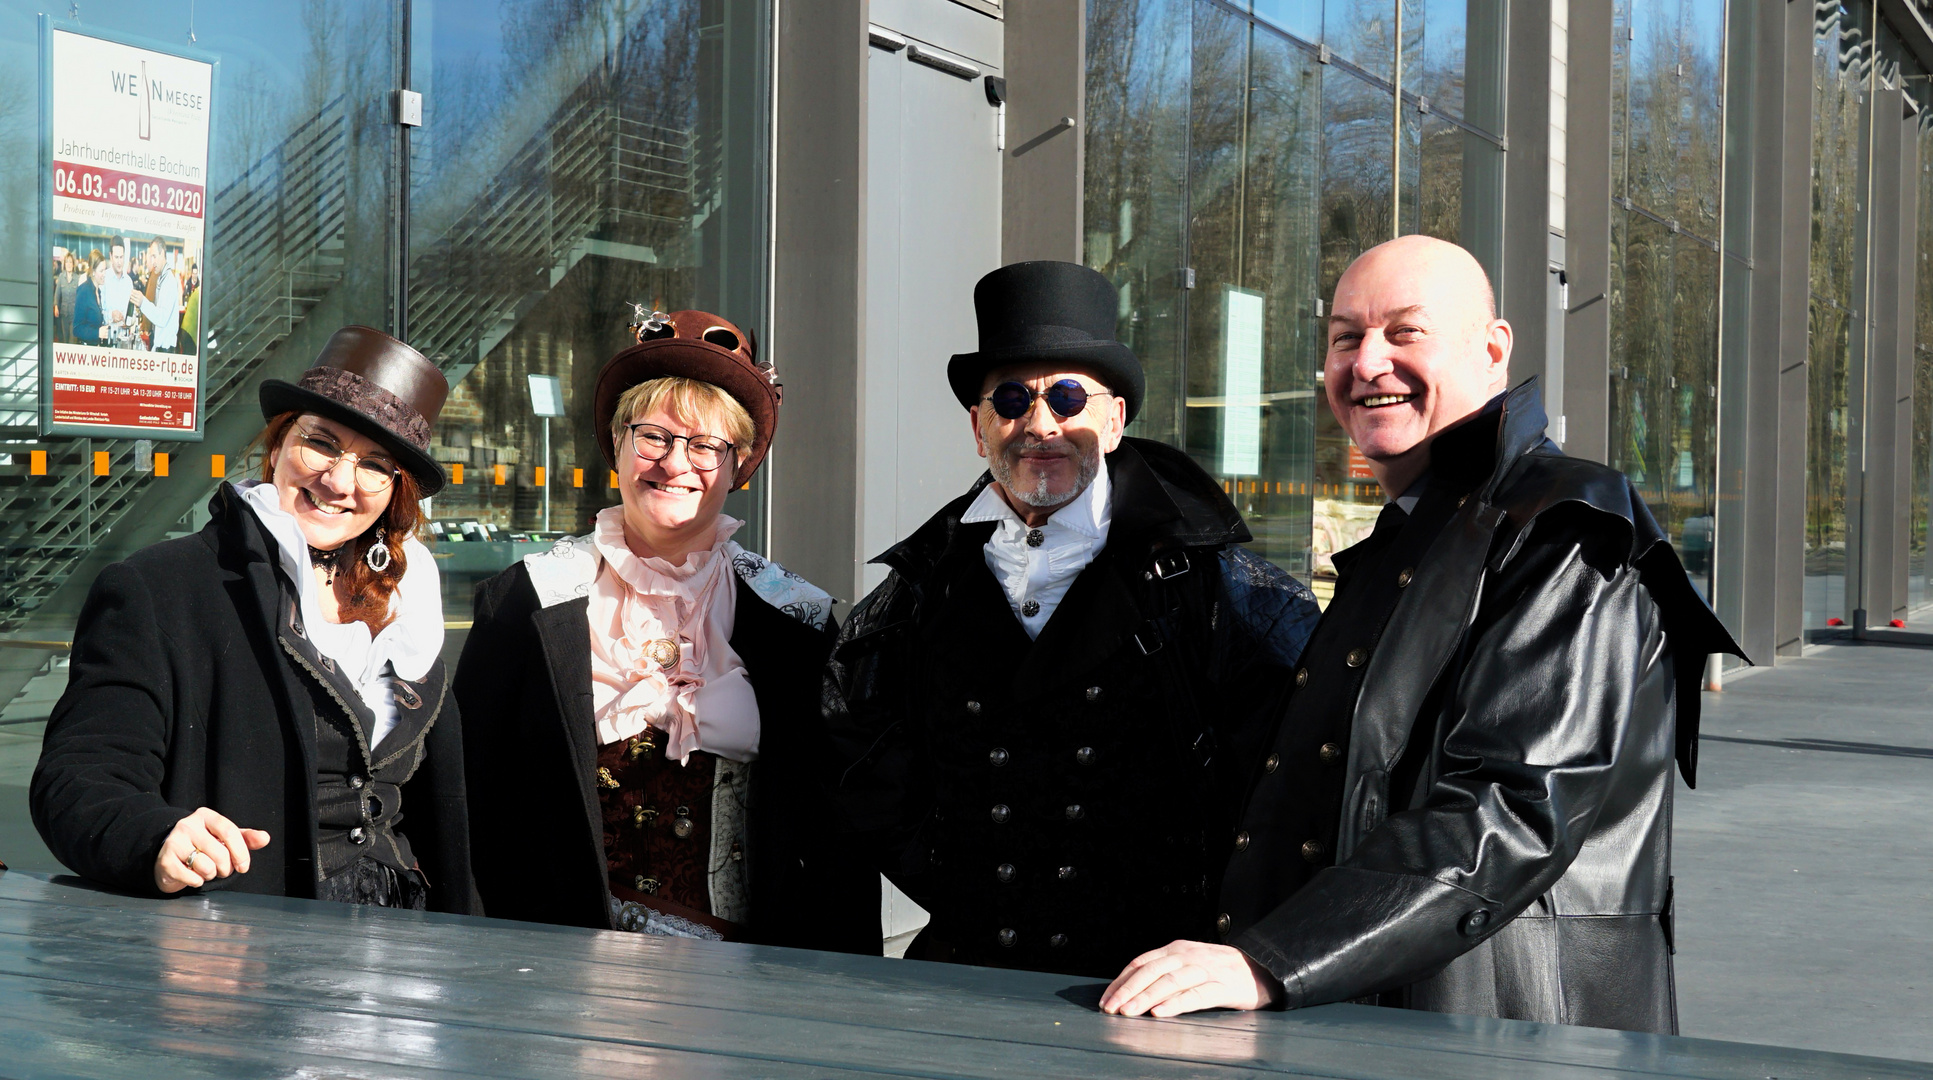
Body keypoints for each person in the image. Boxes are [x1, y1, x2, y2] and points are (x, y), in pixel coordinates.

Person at [1100, 236, 1741, 1032]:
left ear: (1492, 349)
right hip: (1400, 1015)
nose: (1367, 363)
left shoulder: (1563, 531)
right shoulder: (1419, 534)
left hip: (1512, 1031)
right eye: (1344, 336)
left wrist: (1269, 962)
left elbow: (1511, 809)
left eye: (1404, 332)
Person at [825, 261, 1322, 976]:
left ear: (1114, 420)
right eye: (1010, 399)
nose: (1039, 425)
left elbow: (1290, 774)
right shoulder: (919, 589)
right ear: (977, 426)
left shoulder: (1218, 586)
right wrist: (962, 882)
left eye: (1066, 397)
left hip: (1151, 986)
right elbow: (861, 754)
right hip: (971, 968)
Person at [32, 327, 478, 914]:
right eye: (321, 443)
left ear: (394, 490)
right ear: (278, 443)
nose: (340, 482)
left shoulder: (410, 596)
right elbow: (78, 778)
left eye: (374, 465)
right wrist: (157, 836)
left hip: (400, 948)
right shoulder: (162, 586)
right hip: (248, 949)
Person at [456, 309, 852, 945]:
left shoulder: (795, 622)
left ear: (739, 463)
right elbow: (473, 801)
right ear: (616, 444)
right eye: (652, 438)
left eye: (704, 446)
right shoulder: (527, 602)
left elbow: (832, 836)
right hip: (562, 975)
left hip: (743, 993)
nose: (674, 464)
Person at [134, 237, 183, 352]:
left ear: (162, 253)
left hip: (166, 348)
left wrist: (142, 302)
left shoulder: (169, 281)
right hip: (161, 345)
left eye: (154, 256)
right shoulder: (163, 278)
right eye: (150, 257)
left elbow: (162, 318)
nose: (152, 261)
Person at [100, 243, 134, 342]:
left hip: (124, 339)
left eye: (121, 257)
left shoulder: (129, 282)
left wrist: (129, 320)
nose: (119, 262)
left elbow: (132, 312)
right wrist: (111, 315)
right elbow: (98, 311)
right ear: (111, 256)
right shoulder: (103, 279)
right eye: (116, 257)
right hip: (107, 338)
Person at [71, 262, 106, 347]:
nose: (104, 274)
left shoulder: (98, 292)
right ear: (93, 272)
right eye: (101, 271)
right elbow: (76, 329)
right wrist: (97, 333)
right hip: (85, 352)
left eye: (105, 270)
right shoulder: (84, 291)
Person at [54, 252, 82, 343]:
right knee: (65, 339)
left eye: (70, 262)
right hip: (64, 313)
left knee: (73, 340)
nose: (69, 264)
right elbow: (57, 293)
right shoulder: (61, 277)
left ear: (73, 264)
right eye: (67, 262)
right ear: (64, 264)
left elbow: (80, 296)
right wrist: (56, 306)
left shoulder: (78, 278)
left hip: (74, 314)